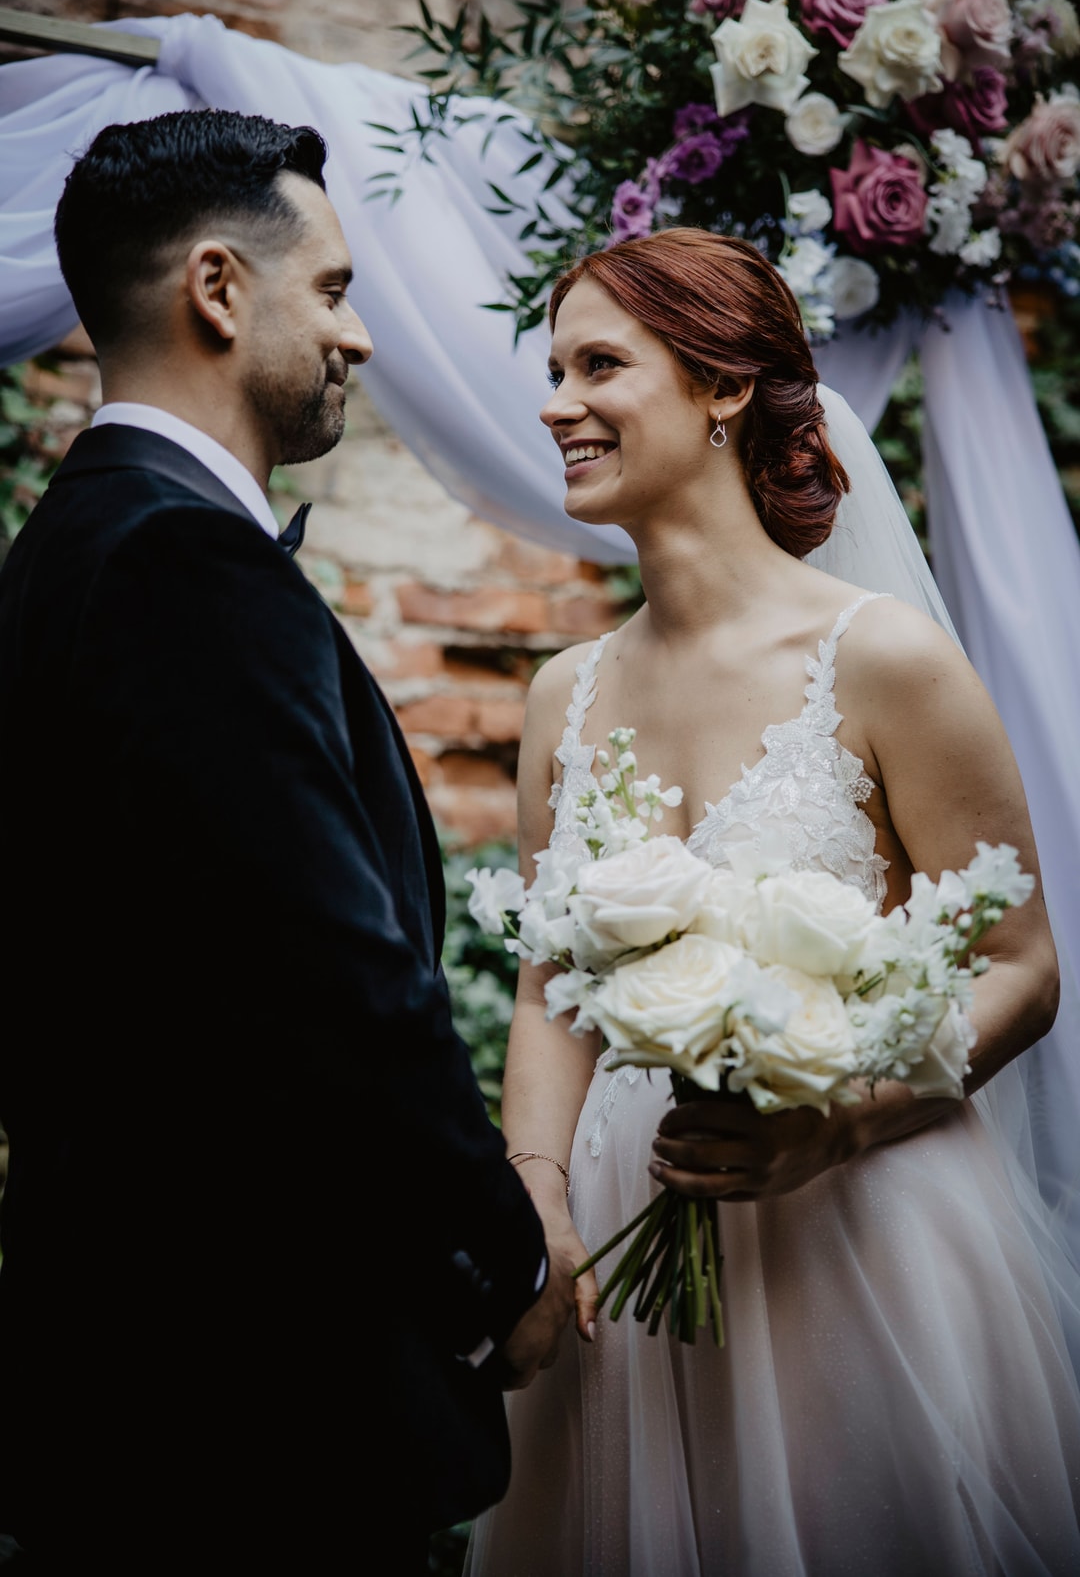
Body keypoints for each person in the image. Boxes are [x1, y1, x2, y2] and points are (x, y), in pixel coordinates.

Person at [0, 109, 573, 1573]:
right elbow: (334, 974)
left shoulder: (62, 551)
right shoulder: (181, 559)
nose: (362, 337)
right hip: (253, 1399)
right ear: (214, 290)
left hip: (117, 1361)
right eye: (330, 288)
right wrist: (497, 1252)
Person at [466, 228, 1080, 1576]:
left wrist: (839, 1120)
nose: (556, 402)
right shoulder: (560, 698)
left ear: (723, 389)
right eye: (553, 368)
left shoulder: (884, 660)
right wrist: (539, 1197)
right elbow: (547, 987)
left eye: (598, 365)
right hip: (630, 1233)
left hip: (856, 1226)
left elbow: (1025, 969)